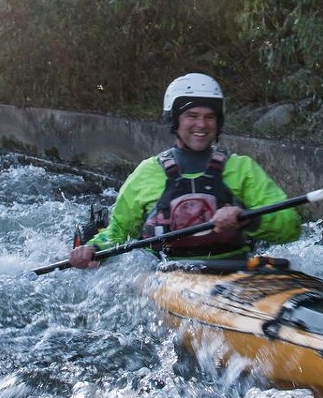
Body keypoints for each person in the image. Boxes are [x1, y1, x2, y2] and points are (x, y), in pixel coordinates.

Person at [68, 73, 299, 268]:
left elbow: (290, 225)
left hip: (234, 270)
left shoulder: (242, 168)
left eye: (209, 117)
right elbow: (117, 233)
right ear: (174, 120)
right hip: (167, 276)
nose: (202, 124)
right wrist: (93, 248)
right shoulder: (146, 173)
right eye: (192, 116)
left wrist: (249, 220)